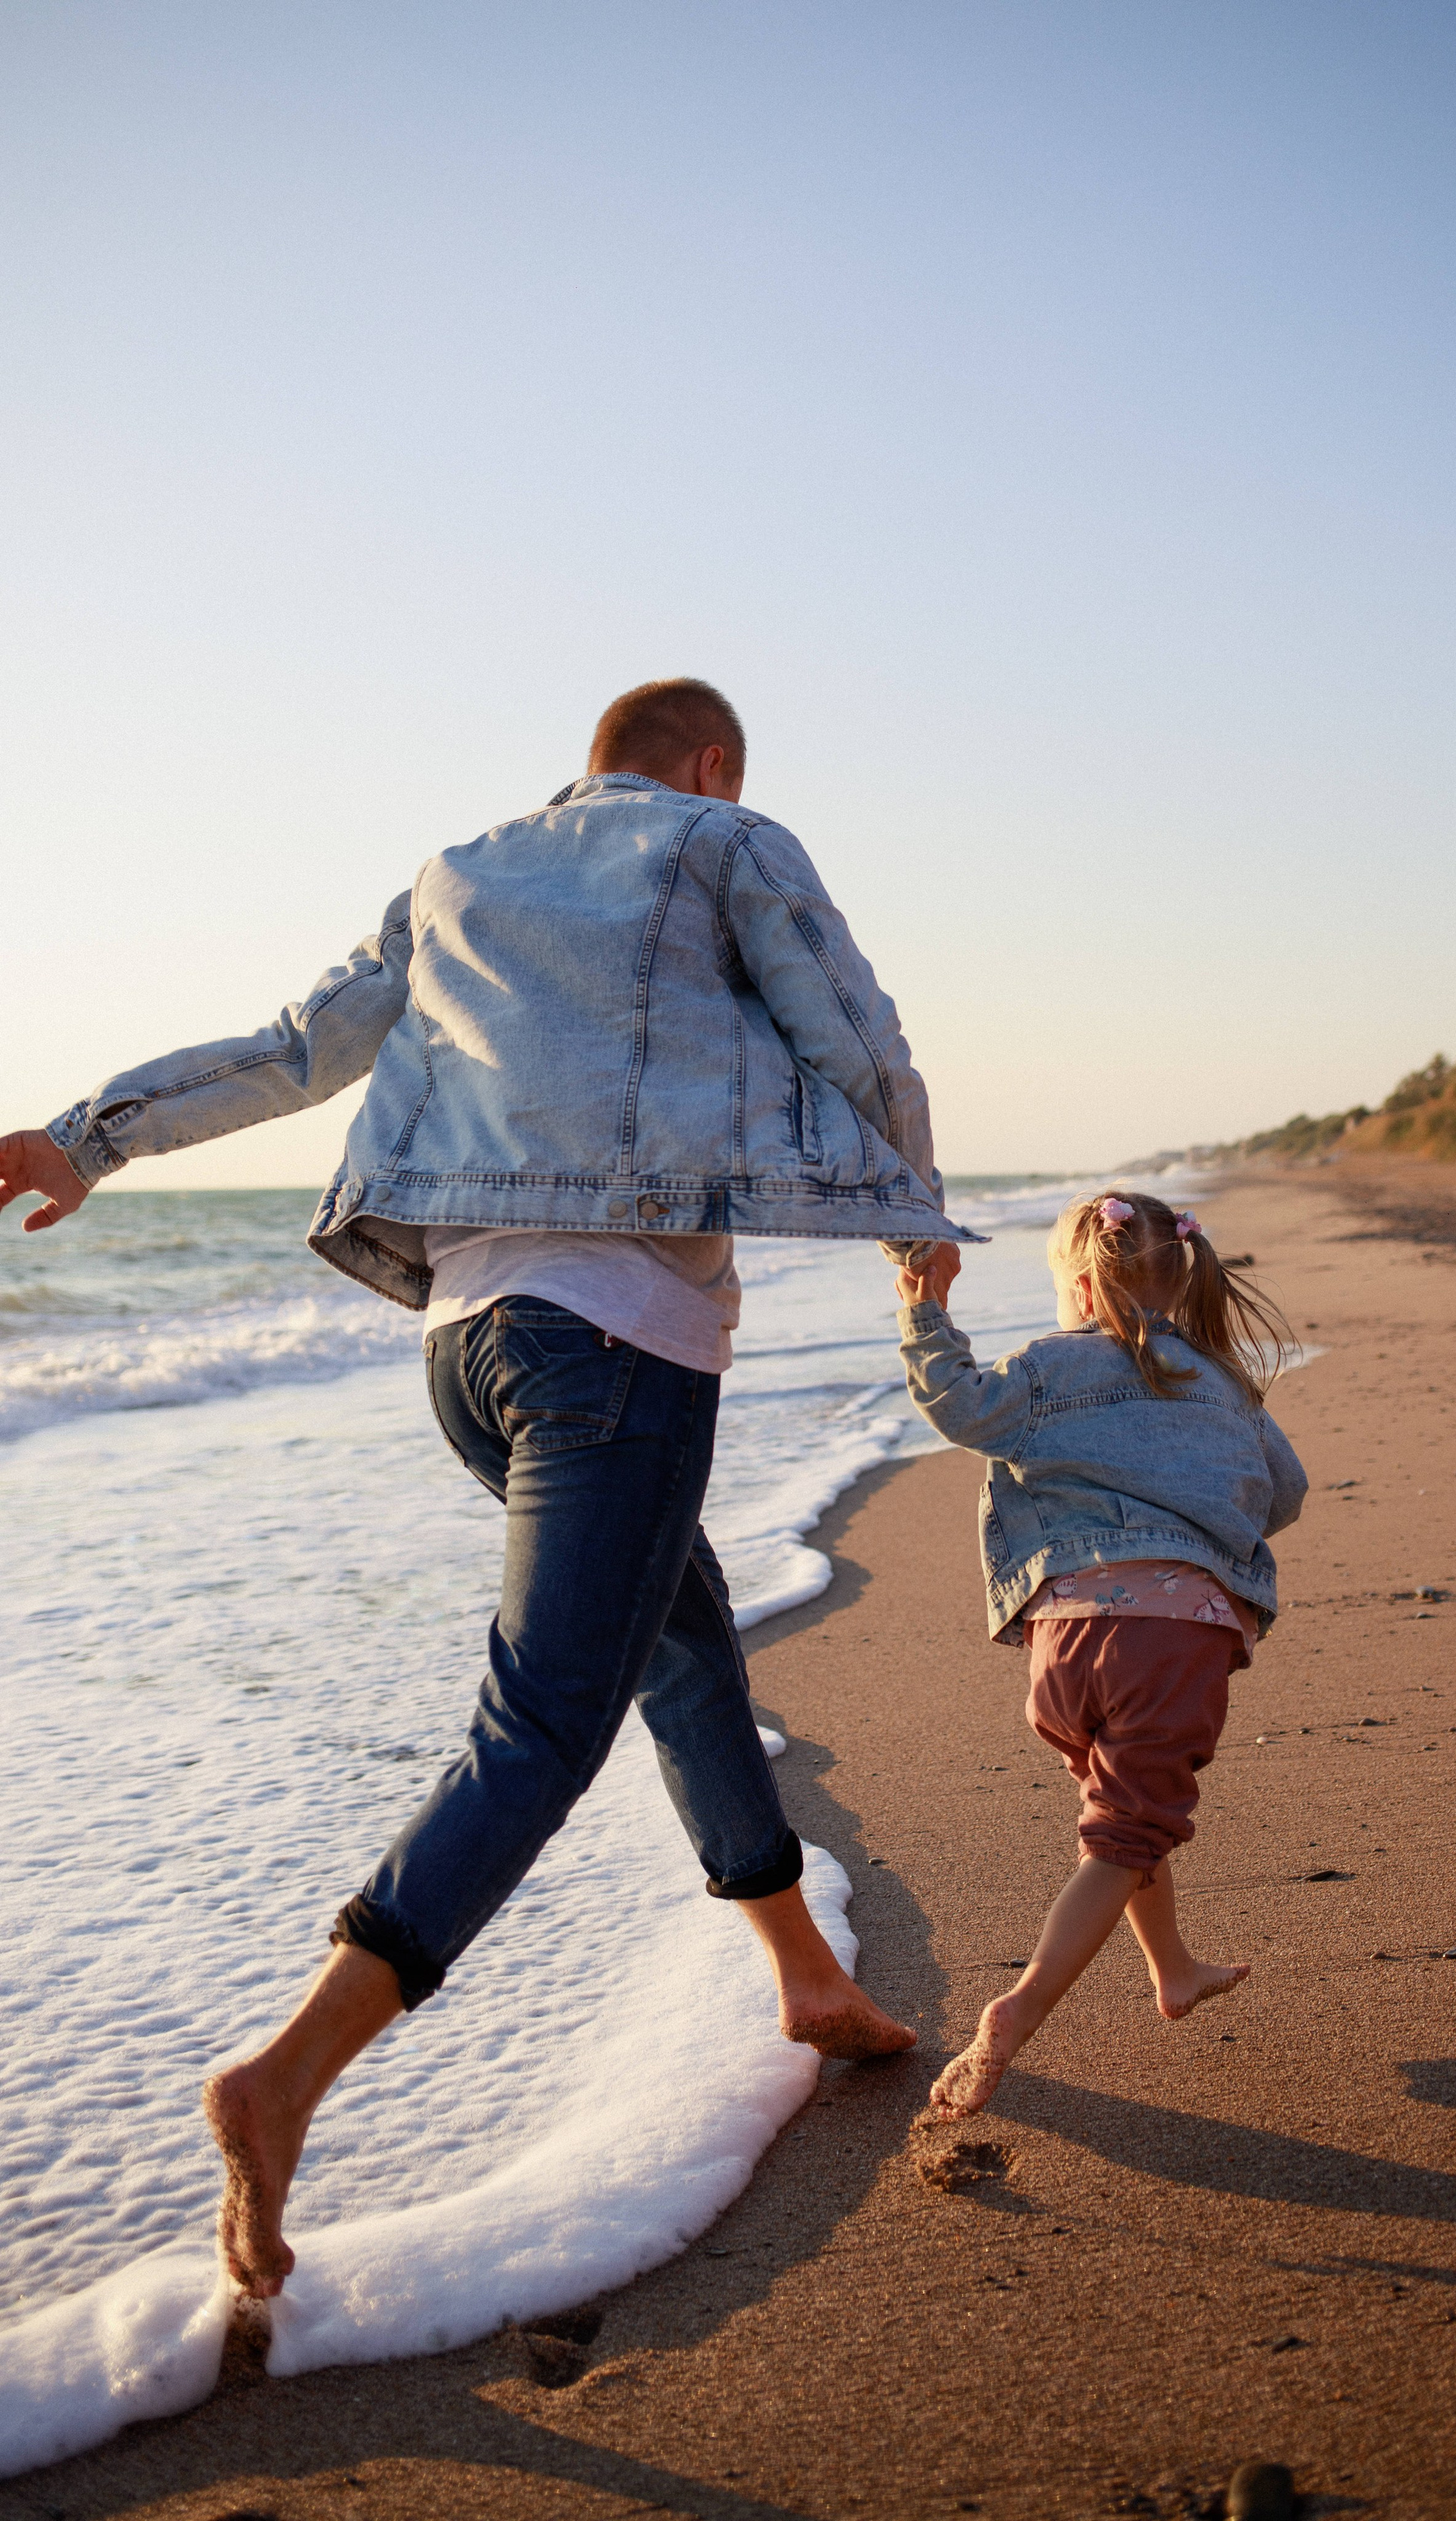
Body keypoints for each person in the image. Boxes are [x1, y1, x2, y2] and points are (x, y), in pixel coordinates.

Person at [0, 676, 968, 2298]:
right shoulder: (722, 839)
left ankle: (799, 1976)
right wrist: (910, 1202)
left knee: (684, 1649)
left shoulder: (453, 873)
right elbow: (848, 1029)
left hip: (467, 1343)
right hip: (618, 1342)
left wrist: (83, 1139)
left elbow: (301, 1050)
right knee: (540, 1733)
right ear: (710, 765)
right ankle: (288, 2071)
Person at [890, 1188, 1306, 2120]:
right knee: (1125, 1834)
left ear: (1078, 1286)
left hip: (1063, 1641)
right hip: (1172, 1642)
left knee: (1123, 1817)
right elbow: (1286, 1494)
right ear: (1183, 1276)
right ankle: (1018, 2007)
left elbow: (957, 1405)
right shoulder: (1224, 1380)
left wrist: (924, 1308)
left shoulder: (1045, 1371)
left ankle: (1173, 1969)